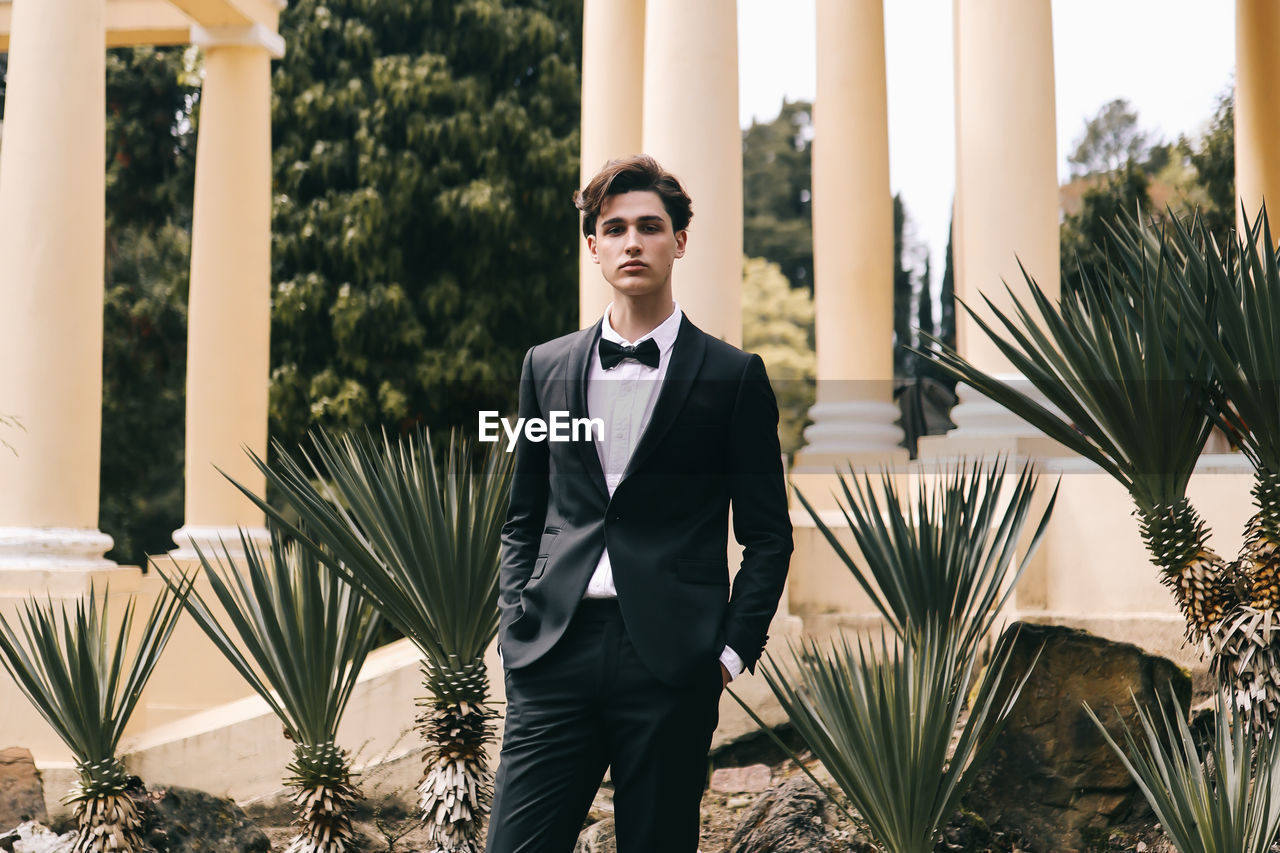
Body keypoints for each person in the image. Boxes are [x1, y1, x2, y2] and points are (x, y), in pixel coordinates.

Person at [485, 154, 793, 853]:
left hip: (672, 662)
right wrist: (515, 630)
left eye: (649, 227)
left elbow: (769, 536)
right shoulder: (546, 366)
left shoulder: (733, 377)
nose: (632, 241)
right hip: (553, 651)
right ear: (592, 245)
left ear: (678, 241)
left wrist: (729, 654)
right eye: (614, 227)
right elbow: (523, 516)